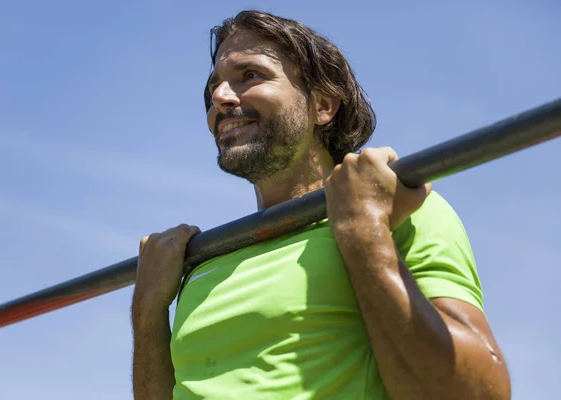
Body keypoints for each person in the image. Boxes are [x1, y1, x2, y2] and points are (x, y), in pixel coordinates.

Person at [131, 10, 511, 400]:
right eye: (215, 86)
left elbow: (478, 394)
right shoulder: (204, 263)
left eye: (251, 76)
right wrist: (147, 313)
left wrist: (365, 232)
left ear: (324, 106)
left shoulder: (400, 210)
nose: (220, 98)